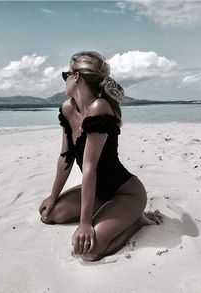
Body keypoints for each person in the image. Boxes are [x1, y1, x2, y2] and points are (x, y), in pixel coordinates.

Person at [39, 51, 162, 262]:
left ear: (75, 76)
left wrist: (85, 223)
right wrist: (53, 195)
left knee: (89, 251)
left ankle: (136, 221)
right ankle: (106, 211)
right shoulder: (68, 109)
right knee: (49, 214)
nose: (65, 81)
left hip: (125, 193)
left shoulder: (99, 108)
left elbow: (90, 167)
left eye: (65, 75)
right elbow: (65, 157)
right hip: (97, 192)